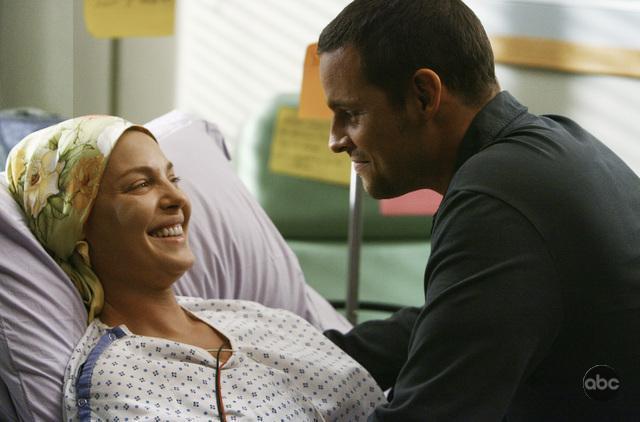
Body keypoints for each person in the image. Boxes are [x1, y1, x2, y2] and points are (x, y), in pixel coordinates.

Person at [317, 0, 640, 420]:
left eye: (351, 114)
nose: (336, 140)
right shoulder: (557, 143)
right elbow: (456, 321)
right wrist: (306, 355)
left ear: (423, 95)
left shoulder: (494, 201)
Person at [5, 115, 385, 421]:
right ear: (78, 229)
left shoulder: (257, 319)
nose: (176, 198)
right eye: (140, 185)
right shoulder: (118, 380)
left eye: (172, 178)